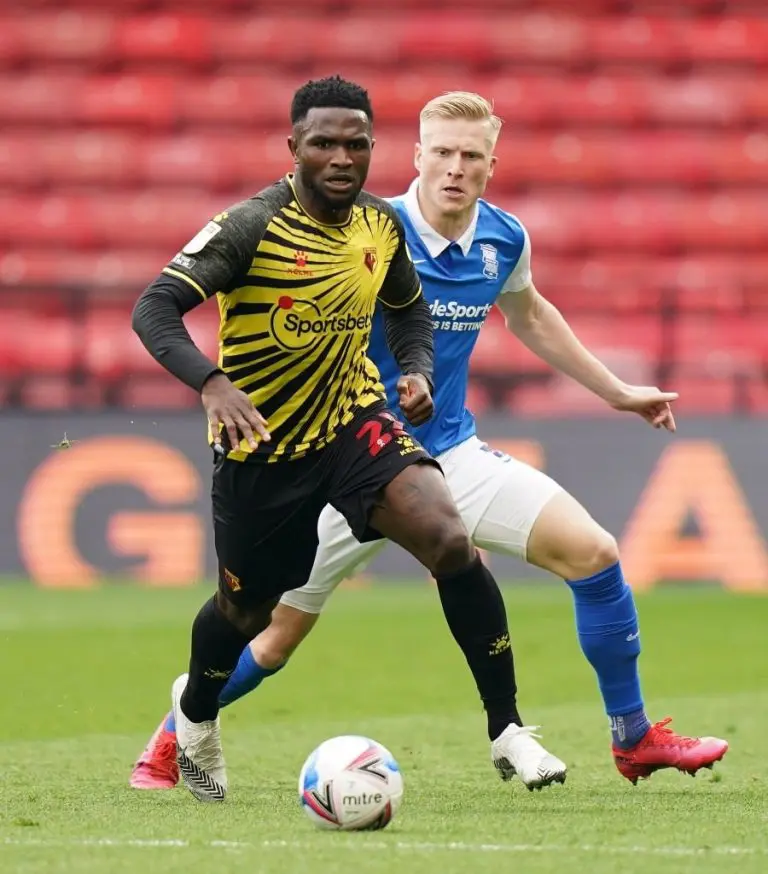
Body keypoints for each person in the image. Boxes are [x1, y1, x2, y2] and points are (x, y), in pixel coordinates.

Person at [130, 77, 566, 803]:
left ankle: (507, 728)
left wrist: (418, 369)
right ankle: (196, 713)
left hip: (353, 422)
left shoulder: (379, 225)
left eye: (356, 144)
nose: (341, 157)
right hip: (264, 446)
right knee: (246, 612)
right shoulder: (250, 227)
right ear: (294, 147)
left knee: (449, 541)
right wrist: (211, 383)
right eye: (324, 143)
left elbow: (408, 310)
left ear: (372, 149)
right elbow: (155, 308)